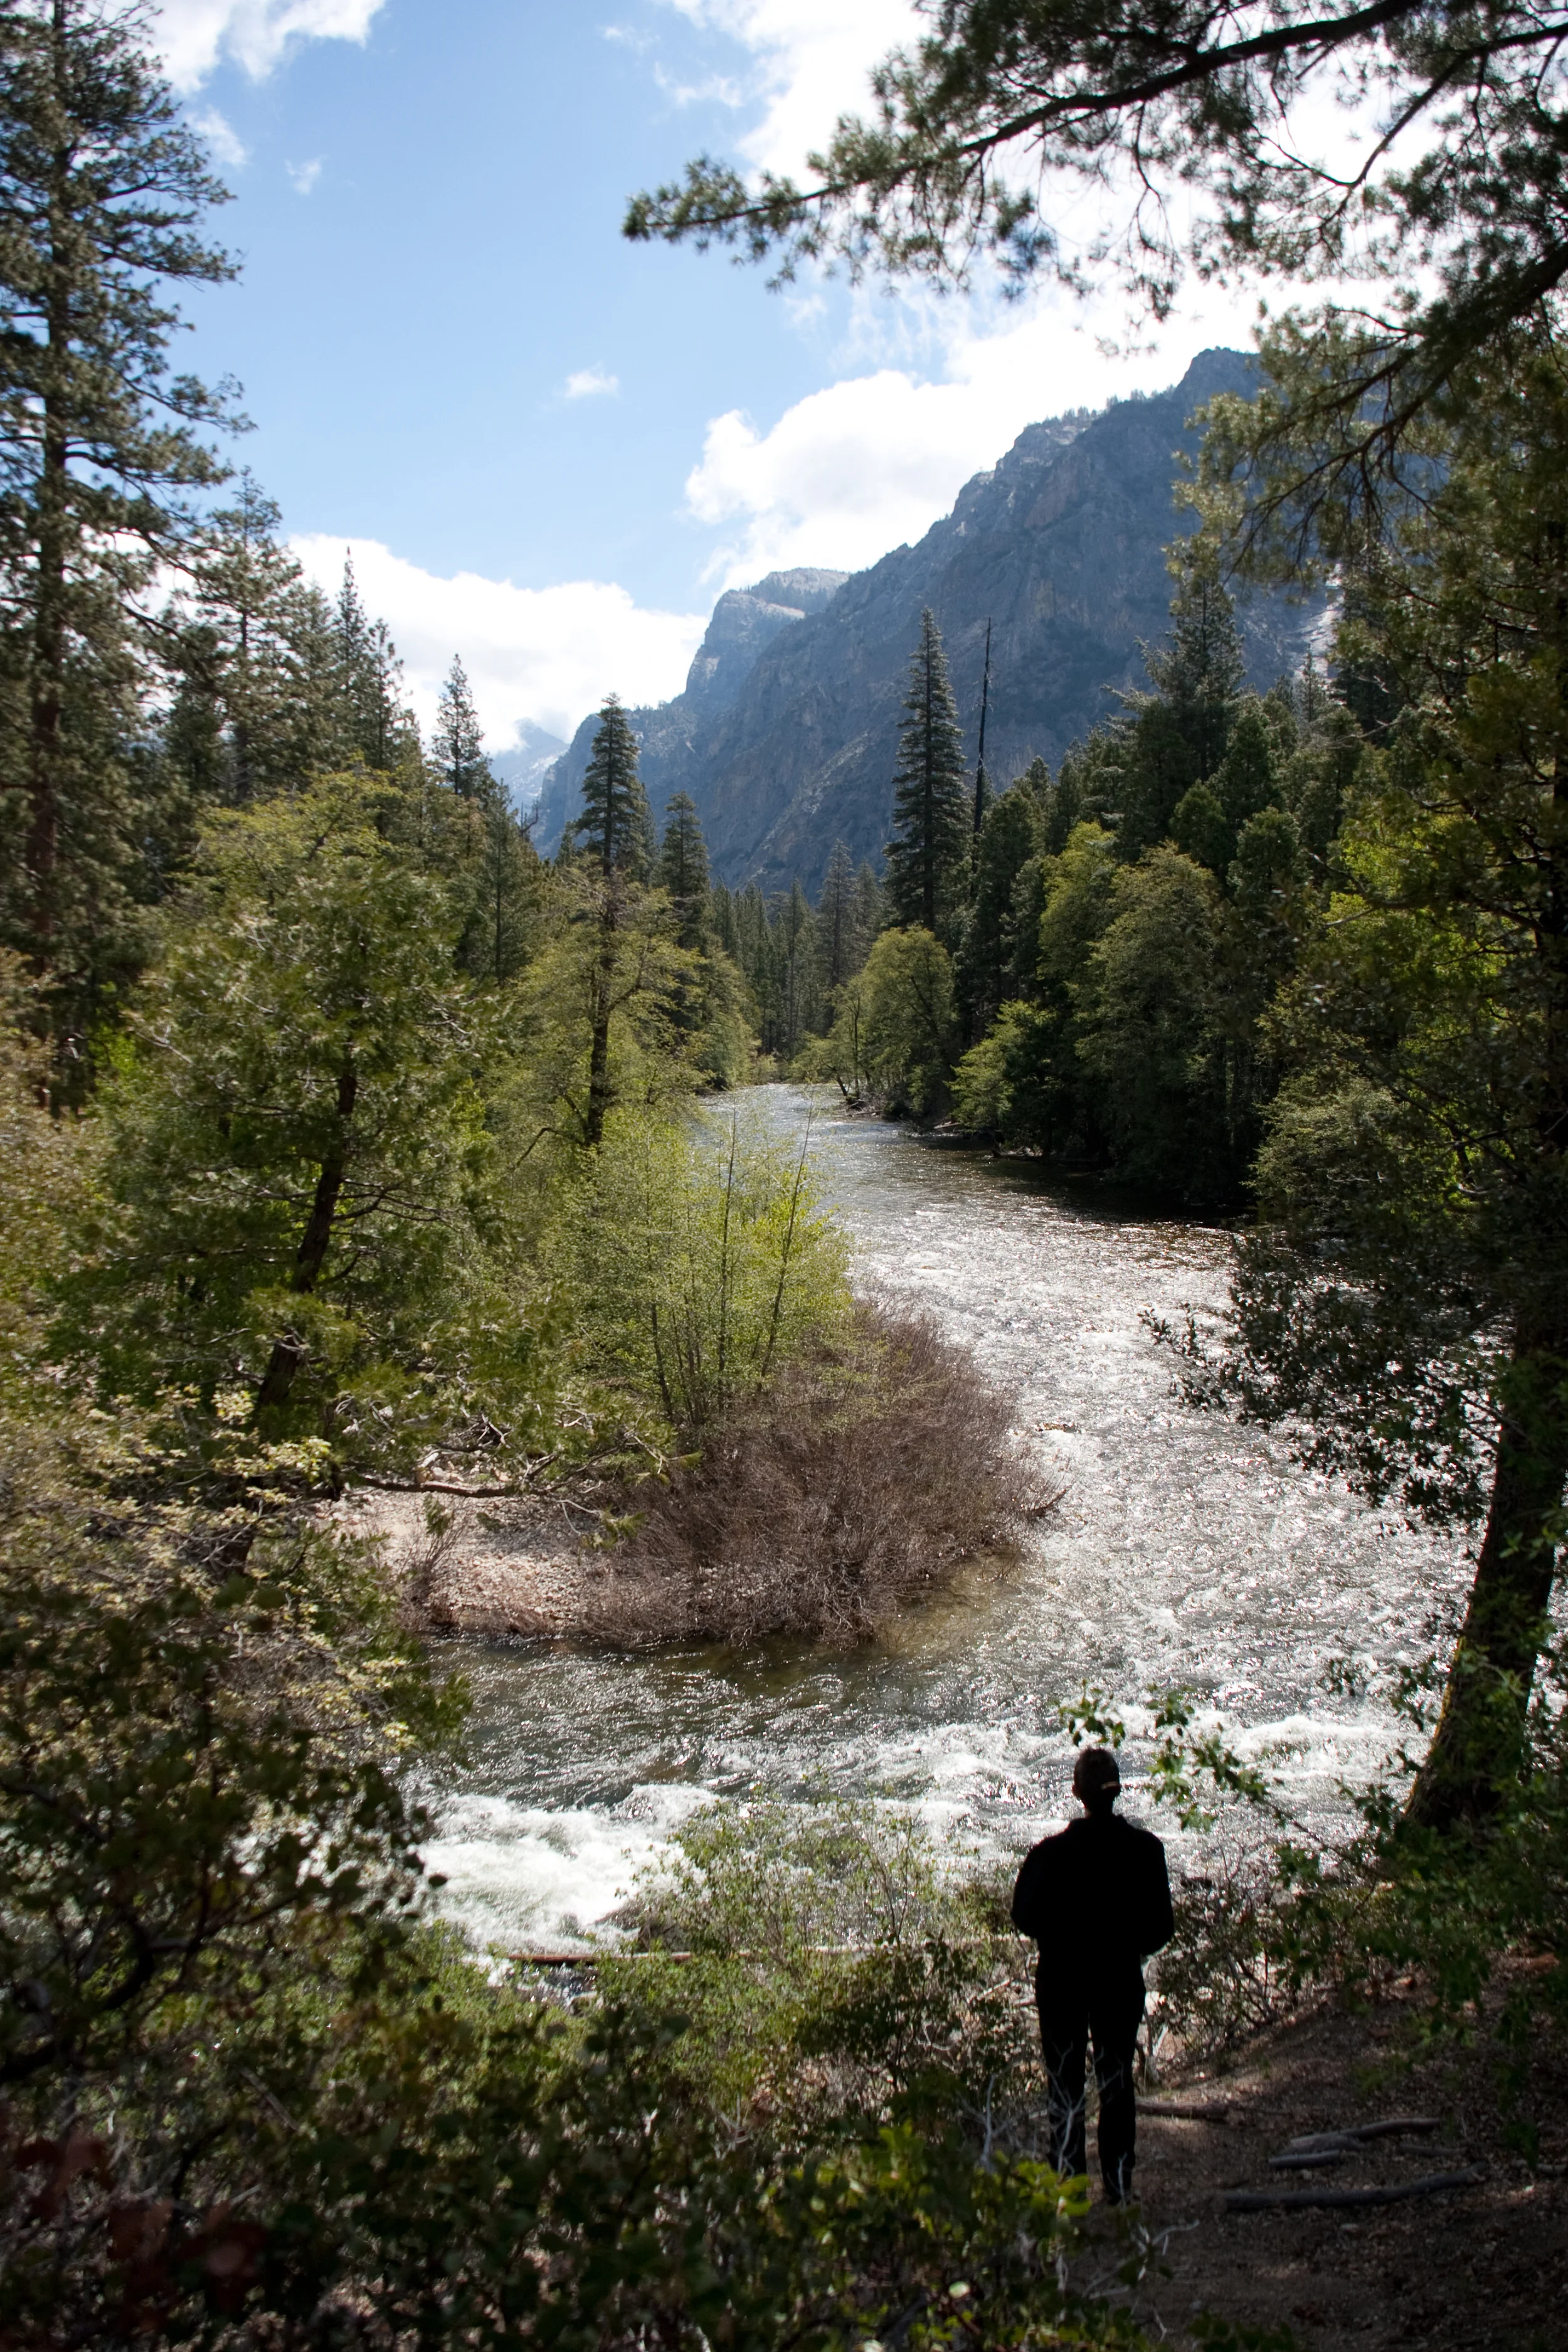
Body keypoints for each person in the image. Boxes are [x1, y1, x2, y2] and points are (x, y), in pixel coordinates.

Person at [1011, 1746, 1173, 2203]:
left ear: (1075, 1792)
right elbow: (1162, 1929)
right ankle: (1119, 2187)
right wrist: (1127, 1948)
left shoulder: (1048, 1855)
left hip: (1061, 1979)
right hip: (1119, 1977)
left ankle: (1070, 2186)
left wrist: (1059, 1938)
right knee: (1117, 2077)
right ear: (1117, 1791)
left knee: (1064, 2083)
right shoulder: (1147, 1851)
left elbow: (1022, 1916)